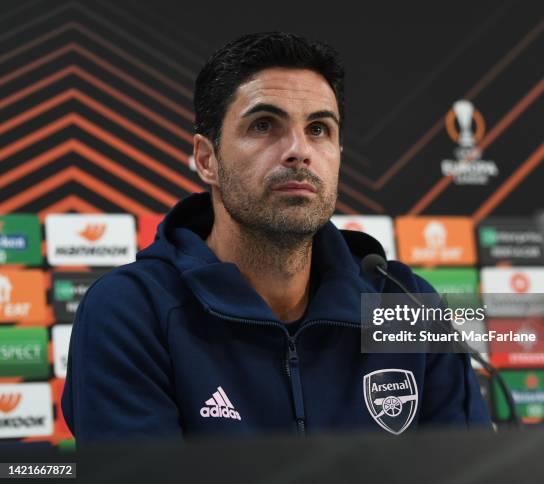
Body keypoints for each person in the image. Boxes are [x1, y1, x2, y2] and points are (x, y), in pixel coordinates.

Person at [62, 32, 490, 441]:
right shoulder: (131, 312)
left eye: (319, 129)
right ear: (206, 160)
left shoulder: (407, 304)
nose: (298, 150)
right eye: (264, 125)